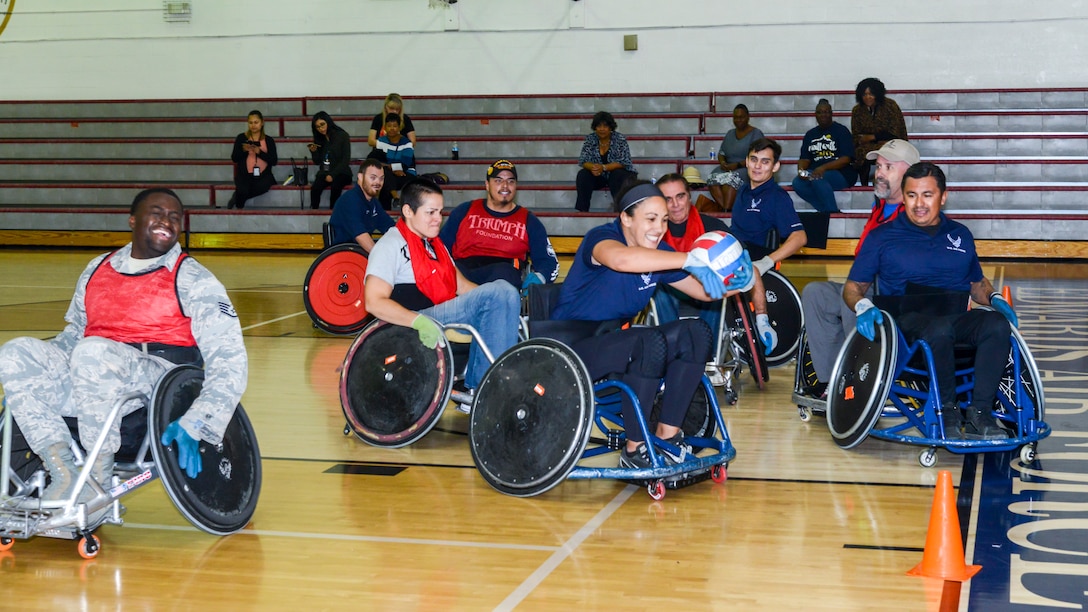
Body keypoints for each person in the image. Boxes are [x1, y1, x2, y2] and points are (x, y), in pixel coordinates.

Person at [0, 188, 247, 505]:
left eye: (175, 217)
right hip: (94, 373)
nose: (167, 222)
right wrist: (28, 383)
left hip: (155, 385)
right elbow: (74, 335)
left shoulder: (194, 279)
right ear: (133, 220)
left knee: (93, 353)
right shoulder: (97, 269)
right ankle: (63, 471)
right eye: (156, 212)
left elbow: (230, 361)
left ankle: (96, 480)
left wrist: (200, 420)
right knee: (15, 353)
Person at [548, 181, 754, 468]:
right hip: (570, 349)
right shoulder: (602, 238)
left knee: (695, 333)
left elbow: (703, 291)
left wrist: (741, 282)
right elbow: (621, 259)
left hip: (616, 345)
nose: (660, 228)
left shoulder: (659, 252)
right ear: (626, 218)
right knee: (646, 340)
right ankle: (635, 450)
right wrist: (689, 259)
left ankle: (667, 437)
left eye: (665, 220)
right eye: (651, 219)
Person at [843, 162, 1016, 440]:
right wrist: (863, 306)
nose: (919, 204)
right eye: (911, 195)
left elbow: (976, 284)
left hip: (953, 319)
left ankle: (980, 412)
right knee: (938, 329)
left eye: (927, 195)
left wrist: (994, 298)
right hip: (905, 326)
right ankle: (945, 410)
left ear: (943, 197)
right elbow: (853, 287)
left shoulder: (960, 234)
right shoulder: (881, 237)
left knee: (996, 325)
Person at [363, 178, 520, 409]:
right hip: (417, 319)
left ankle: (493, 381)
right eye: (431, 212)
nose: (438, 219)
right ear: (408, 210)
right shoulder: (390, 245)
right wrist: (418, 321)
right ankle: (481, 389)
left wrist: (506, 306)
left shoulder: (436, 245)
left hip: (444, 311)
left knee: (505, 292)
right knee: (499, 292)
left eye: (440, 211)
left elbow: (464, 288)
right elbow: (373, 302)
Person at [799, 139, 920, 399]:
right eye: (878, 166)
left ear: (909, 174)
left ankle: (859, 379)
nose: (879, 173)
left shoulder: (915, 213)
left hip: (898, 297)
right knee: (815, 293)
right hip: (870, 288)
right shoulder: (879, 208)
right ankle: (831, 381)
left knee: (853, 298)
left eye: (888, 167)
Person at [650, 172, 776, 354]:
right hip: (670, 292)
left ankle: (707, 356)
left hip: (707, 293)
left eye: (680, 196)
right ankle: (671, 352)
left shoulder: (713, 227)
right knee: (658, 287)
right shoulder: (652, 231)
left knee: (717, 289)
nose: (675, 205)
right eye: (667, 199)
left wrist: (762, 318)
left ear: (689, 197)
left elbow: (749, 268)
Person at [439, 159, 559, 287]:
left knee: (504, 275)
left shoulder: (529, 221)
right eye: (498, 180)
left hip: (504, 277)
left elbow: (549, 262)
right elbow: (440, 247)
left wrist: (540, 277)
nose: (505, 185)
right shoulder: (464, 210)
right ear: (487, 185)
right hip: (463, 273)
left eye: (511, 181)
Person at [730, 137, 808, 276]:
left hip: (753, 263)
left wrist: (766, 262)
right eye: (754, 159)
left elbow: (800, 237)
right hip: (731, 258)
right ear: (747, 161)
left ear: (775, 166)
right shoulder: (743, 191)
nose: (757, 166)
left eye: (765, 162)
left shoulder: (777, 197)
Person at [790, 99, 858, 213]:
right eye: (820, 112)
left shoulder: (841, 131)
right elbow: (804, 158)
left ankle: (832, 212)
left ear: (831, 113)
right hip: (816, 172)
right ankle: (825, 210)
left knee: (817, 178)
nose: (823, 115)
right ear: (815, 115)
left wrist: (823, 168)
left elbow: (846, 159)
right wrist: (801, 170)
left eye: (826, 112)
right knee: (798, 183)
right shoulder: (810, 134)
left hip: (842, 173)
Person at [327, 158, 395, 251]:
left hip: (358, 252)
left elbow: (391, 228)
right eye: (373, 177)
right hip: (344, 255)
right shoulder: (350, 200)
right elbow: (361, 236)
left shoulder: (374, 203)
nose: (378, 182)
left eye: (381, 179)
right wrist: (381, 259)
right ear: (360, 177)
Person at [706, 104, 764, 212]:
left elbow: (757, 157)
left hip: (746, 168)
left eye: (741, 117)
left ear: (748, 117)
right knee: (712, 178)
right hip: (728, 167)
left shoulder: (756, 134)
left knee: (731, 179)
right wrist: (723, 162)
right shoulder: (730, 134)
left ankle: (726, 208)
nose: (738, 120)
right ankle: (726, 208)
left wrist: (737, 165)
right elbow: (721, 153)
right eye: (736, 117)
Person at [574, 111, 637, 212]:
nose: (602, 129)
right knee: (583, 174)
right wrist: (594, 168)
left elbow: (624, 162)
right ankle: (582, 210)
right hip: (600, 176)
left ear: (611, 127)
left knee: (616, 174)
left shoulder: (619, 139)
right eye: (599, 126)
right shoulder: (591, 139)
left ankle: (620, 210)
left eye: (605, 126)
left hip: (619, 175)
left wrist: (603, 167)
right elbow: (583, 161)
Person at [851, 77, 908, 186]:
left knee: (886, 150)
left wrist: (873, 137)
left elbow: (895, 132)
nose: (867, 97)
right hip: (867, 145)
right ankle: (864, 185)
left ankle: (886, 182)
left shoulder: (890, 106)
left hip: (890, 143)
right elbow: (856, 134)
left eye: (871, 94)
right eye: (864, 94)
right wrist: (865, 139)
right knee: (860, 152)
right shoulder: (857, 110)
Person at [227, 110, 278, 210]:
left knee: (262, 187)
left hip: (263, 175)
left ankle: (236, 198)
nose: (253, 125)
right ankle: (239, 205)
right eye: (250, 123)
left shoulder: (269, 140)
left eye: (256, 122)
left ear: (262, 123)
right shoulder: (241, 138)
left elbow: (274, 161)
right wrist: (244, 150)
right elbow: (234, 158)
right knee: (243, 189)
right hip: (244, 175)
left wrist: (259, 152)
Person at [372, 112, 417, 210]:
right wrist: (391, 168)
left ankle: (385, 214)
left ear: (399, 127)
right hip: (389, 175)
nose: (392, 128)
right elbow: (374, 161)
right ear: (385, 127)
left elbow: (405, 164)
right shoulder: (381, 142)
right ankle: (395, 196)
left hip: (406, 174)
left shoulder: (407, 143)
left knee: (384, 179)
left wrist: (388, 166)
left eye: (395, 126)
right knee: (384, 176)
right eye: (389, 126)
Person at [308, 111, 352, 210]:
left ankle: (333, 212)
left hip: (342, 172)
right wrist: (314, 152)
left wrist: (333, 175)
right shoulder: (319, 139)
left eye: (322, 124)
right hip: (325, 172)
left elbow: (346, 160)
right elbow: (317, 161)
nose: (321, 129)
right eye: (318, 127)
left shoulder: (342, 136)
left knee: (336, 186)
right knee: (315, 188)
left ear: (328, 122)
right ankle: (314, 211)